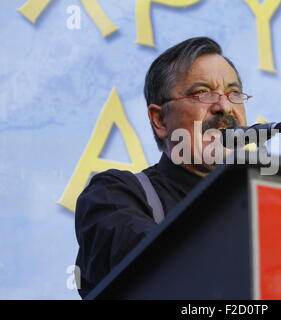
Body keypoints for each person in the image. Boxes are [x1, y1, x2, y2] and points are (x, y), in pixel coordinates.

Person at [74, 37, 250, 298]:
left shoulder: (264, 202)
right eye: (202, 93)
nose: (224, 106)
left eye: (233, 93)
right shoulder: (115, 195)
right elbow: (158, 264)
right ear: (160, 119)